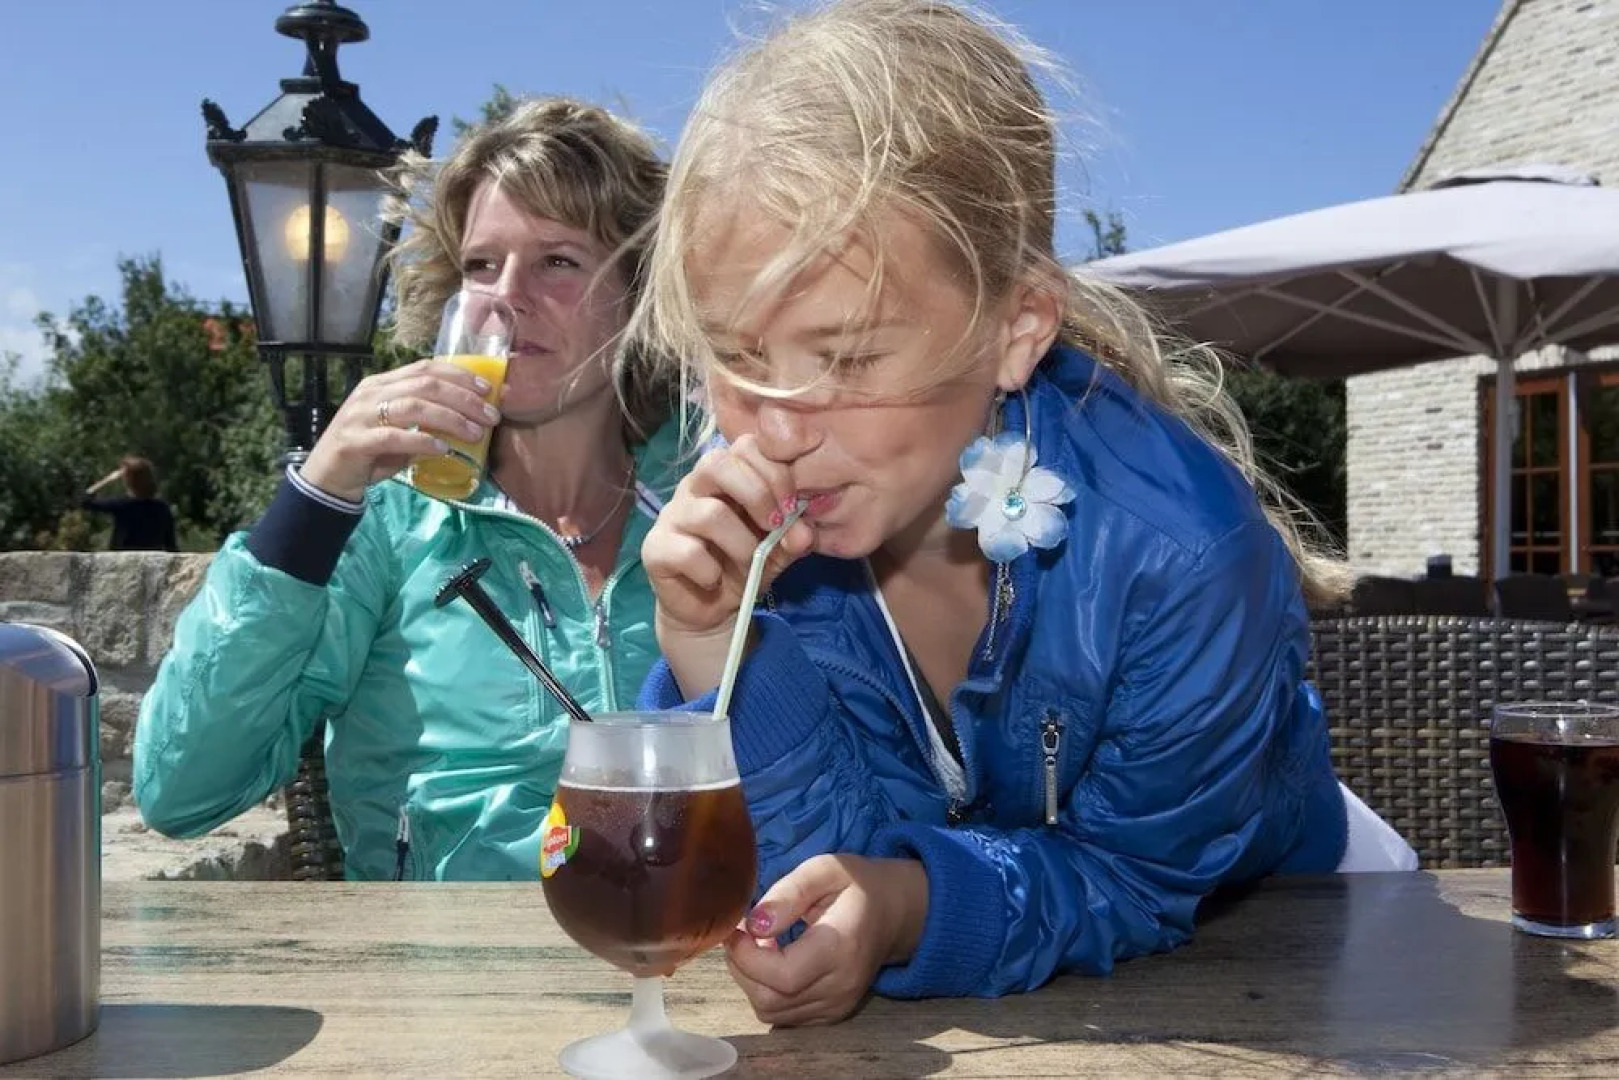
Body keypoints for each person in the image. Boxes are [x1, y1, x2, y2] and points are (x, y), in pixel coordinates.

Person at [635, 0, 1414, 1025]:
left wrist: (910, 906)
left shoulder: (1183, 556)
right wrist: (713, 647)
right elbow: (816, 880)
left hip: (1303, 940)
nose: (774, 430)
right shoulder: (774, 519)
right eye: (737, 356)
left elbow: (1133, 878)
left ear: (1016, 328)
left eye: (847, 358)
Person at [134, 97, 684, 881]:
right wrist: (312, 500)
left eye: (558, 260)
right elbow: (180, 791)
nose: (505, 294)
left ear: (639, 293)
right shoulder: (388, 526)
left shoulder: (709, 508)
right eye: (481, 265)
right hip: (439, 957)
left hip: (684, 948)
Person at [82, 455, 178, 552]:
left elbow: (85, 501)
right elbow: (171, 545)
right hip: (151, 559)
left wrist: (107, 480)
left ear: (128, 480)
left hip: (122, 559)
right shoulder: (162, 508)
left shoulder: (122, 505)